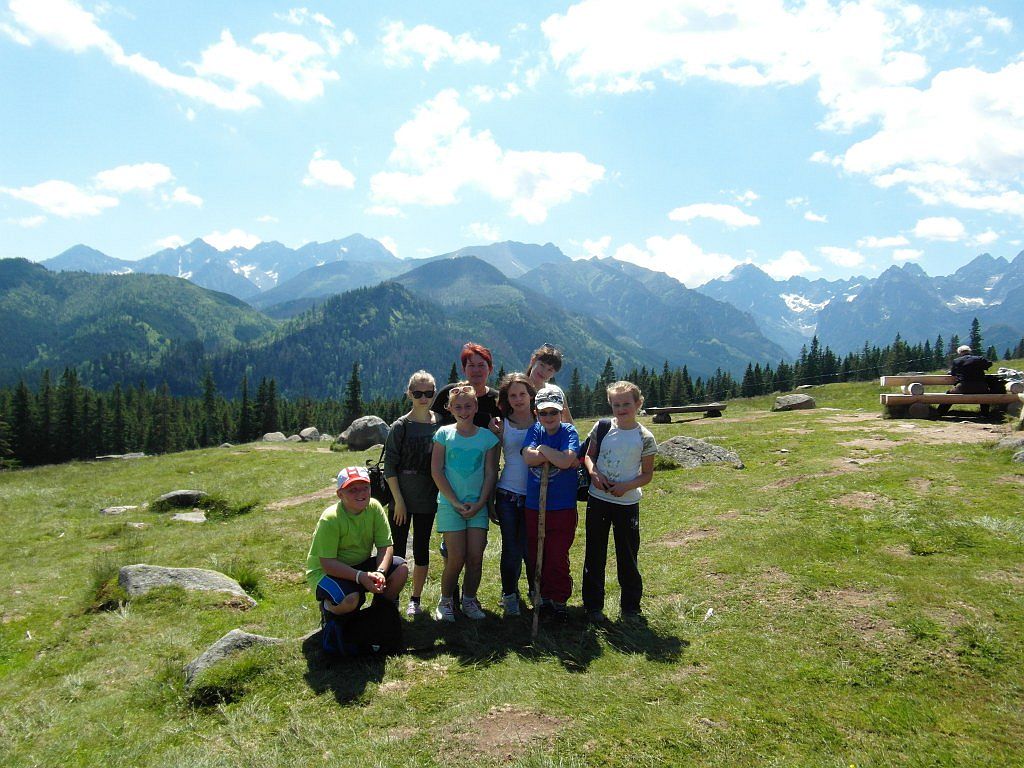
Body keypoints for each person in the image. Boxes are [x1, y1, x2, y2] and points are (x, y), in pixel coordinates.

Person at [581, 381, 657, 624]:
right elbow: (589, 456)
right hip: (598, 499)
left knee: (628, 554)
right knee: (595, 552)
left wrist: (627, 486)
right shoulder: (602, 427)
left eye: (626, 404)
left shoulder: (645, 437)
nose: (621, 409)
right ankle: (593, 606)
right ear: (610, 405)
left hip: (627, 503)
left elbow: (647, 475)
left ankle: (630, 608)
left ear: (638, 403)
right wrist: (594, 473)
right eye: (616, 404)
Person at [430, 382, 500, 622]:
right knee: (456, 558)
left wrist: (480, 503)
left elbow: (491, 473)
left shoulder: (488, 438)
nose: (463, 411)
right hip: (450, 505)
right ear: (450, 409)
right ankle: (446, 601)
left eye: (468, 406)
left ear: (476, 406)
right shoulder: (443, 435)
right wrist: (455, 502)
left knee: (475, 558)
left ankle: (469, 600)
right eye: (458, 407)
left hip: (477, 506)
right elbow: (437, 471)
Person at [305, 466, 409, 620]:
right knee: (352, 599)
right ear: (340, 494)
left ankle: (378, 613)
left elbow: (385, 546)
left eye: (365, 488)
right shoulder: (330, 518)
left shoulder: (374, 507)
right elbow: (327, 564)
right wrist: (360, 577)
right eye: (352, 490)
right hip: (325, 573)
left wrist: (380, 572)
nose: (361, 493)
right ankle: (328, 609)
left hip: (359, 566)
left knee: (401, 569)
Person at [383, 370, 441, 617]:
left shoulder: (440, 423)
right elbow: (389, 466)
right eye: (418, 393)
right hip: (401, 500)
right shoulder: (400, 426)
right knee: (395, 551)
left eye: (428, 393)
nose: (423, 398)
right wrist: (398, 501)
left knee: (421, 548)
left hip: (428, 498)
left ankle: (415, 599)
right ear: (409, 394)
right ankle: (391, 598)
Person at [522, 385, 580, 622]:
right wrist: (552, 455)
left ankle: (559, 599)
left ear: (561, 412)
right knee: (538, 552)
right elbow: (528, 457)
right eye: (544, 413)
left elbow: (567, 461)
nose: (548, 417)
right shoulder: (535, 430)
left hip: (562, 506)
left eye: (553, 412)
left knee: (557, 554)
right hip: (535, 505)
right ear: (536, 413)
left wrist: (544, 449)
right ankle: (543, 597)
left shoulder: (568, 431)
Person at [493, 372, 537, 617]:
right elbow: (492, 463)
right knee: (511, 548)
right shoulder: (501, 424)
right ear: (506, 399)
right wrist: (490, 497)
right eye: (513, 395)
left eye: (522, 394)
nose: (518, 399)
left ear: (531, 395)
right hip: (508, 494)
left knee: (532, 548)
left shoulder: (542, 419)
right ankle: (509, 595)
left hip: (535, 495)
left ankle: (535, 591)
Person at [432, 342, 502, 428]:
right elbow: (430, 422)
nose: (476, 370)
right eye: (471, 365)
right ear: (464, 369)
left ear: (490, 369)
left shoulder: (498, 400)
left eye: (481, 365)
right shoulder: (449, 393)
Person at [936, 344, 995, 418]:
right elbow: (989, 364)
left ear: (960, 353)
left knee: (949, 394)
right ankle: (984, 414)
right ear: (969, 351)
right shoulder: (979, 358)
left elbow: (953, 373)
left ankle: (940, 413)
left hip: (963, 387)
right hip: (981, 386)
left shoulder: (957, 361)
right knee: (985, 394)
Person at [526, 343, 574, 423]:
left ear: (553, 374)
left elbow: (569, 423)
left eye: (550, 370)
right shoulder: (517, 390)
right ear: (533, 361)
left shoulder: (556, 392)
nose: (544, 371)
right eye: (542, 365)